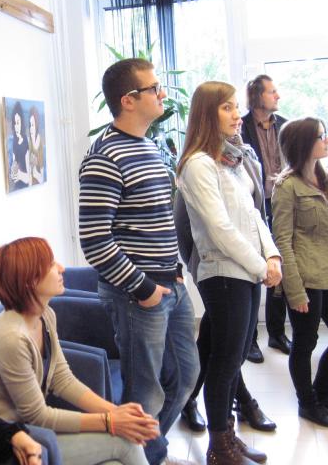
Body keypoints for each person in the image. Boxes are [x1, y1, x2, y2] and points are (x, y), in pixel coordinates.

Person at [79, 58, 199, 465]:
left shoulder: (148, 146)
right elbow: (95, 240)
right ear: (128, 100)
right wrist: (144, 288)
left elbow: (159, 220)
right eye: (153, 88)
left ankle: (148, 451)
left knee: (186, 376)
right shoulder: (105, 156)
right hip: (138, 295)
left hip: (171, 286)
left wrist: (175, 275)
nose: (162, 94)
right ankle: (145, 457)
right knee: (145, 394)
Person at [0, 237, 158, 465]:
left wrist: (115, 412)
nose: (61, 268)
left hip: (32, 430)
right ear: (30, 281)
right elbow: (37, 416)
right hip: (12, 443)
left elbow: (61, 378)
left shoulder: (44, 315)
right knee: (126, 443)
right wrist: (110, 422)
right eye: (51, 264)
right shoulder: (11, 339)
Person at [177, 81, 282, 465]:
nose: (237, 115)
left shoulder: (228, 159)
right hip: (223, 275)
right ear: (207, 114)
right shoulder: (197, 165)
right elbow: (220, 229)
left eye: (236, 106)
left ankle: (228, 437)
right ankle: (219, 449)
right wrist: (261, 266)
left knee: (226, 358)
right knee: (225, 364)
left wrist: (272, 255)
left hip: (247, 272)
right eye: (227, 108)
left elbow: (253, 214)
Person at [272, 117, 328, 428]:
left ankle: (322, 391)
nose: (327, 140)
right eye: (322, 135)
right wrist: (294, 290)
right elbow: (282, 240)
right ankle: (307, 404)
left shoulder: (325, 178)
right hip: (305, 278)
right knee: (305, 342)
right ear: (304, 143)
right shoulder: (287, 187)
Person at [241, 75, 290, 361]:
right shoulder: (241, 127)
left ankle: (277, 333)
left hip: (282, 204)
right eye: (272, 92)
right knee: (255, 268)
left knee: (278, 266)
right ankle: (250, 340)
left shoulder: (284, 125)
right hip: (254, 205)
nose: (277, 96)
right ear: (258, 96)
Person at [9, 101, 31, 190]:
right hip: (17, 187)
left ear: (22, 123)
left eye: (18, 123)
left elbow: (28, 178)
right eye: (14, 123)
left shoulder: (26, 142)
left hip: (26, 187)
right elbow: (14, 165)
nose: (16, 126)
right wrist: (13, 173)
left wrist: (19, 175)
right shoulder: (14, 141)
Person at [28, 106, 45, 184]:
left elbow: (41, 176)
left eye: (33, 124)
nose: (31, 127)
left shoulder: (39, 141)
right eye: (30, 124)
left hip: (37, 180)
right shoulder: (29, 141)